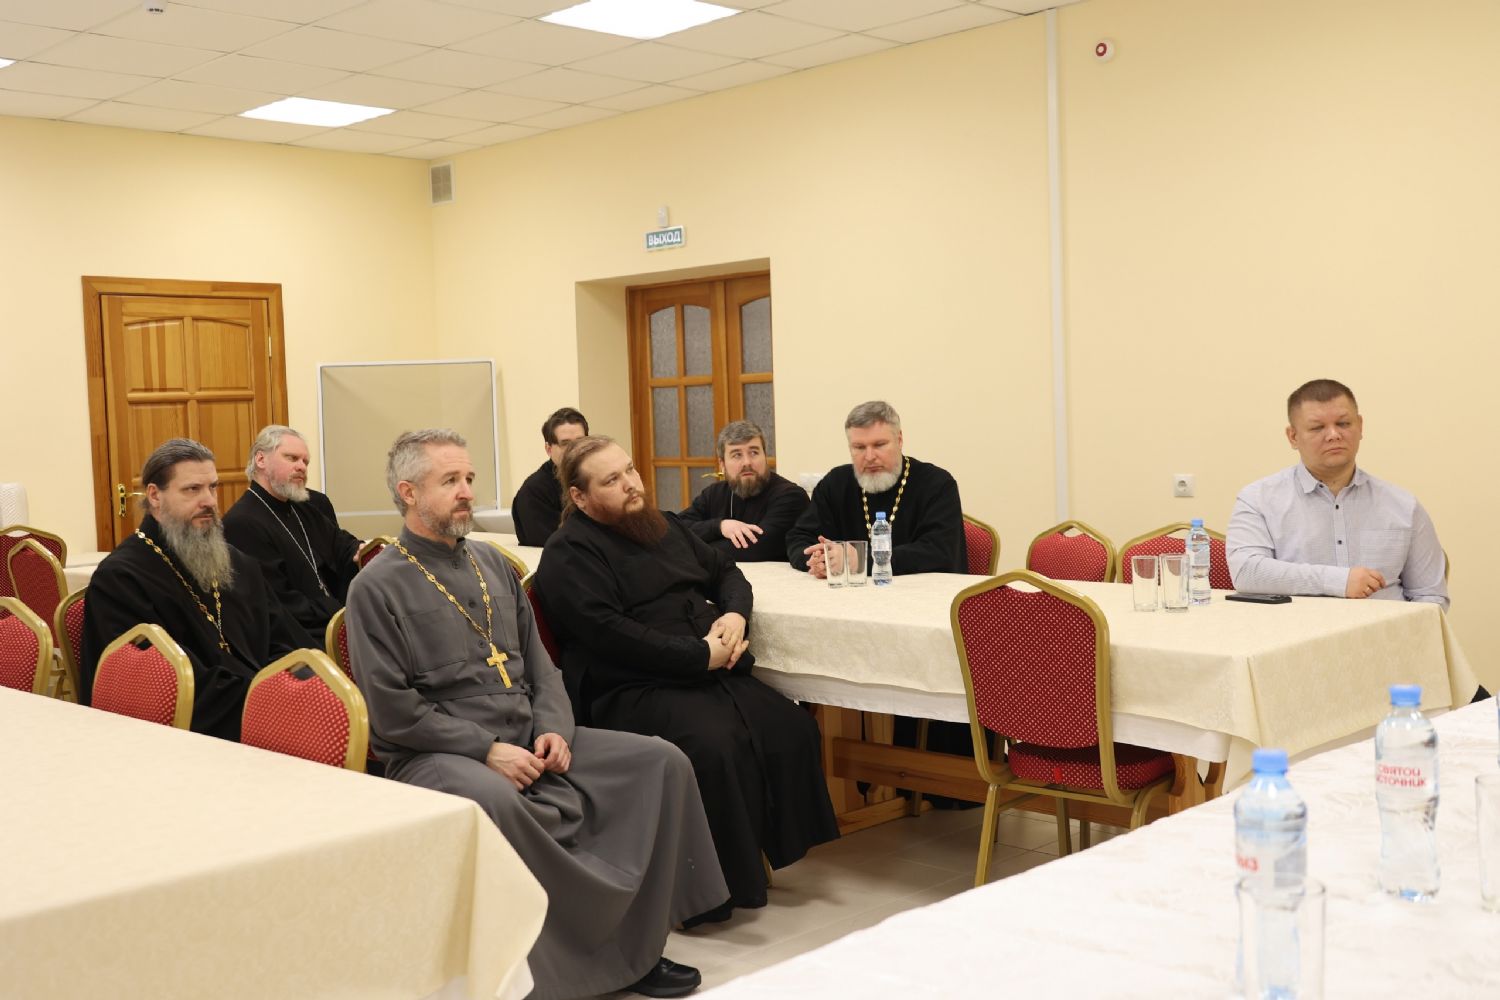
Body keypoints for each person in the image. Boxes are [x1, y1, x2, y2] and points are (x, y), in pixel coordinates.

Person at [345, 429, 725, 1000]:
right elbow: (394, 711)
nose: (467, 491)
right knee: (496, 800)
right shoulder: (375, 587)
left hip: (529, 734)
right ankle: (555, 973)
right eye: (450, 481)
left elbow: (544, 669)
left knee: (661, 761)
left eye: (469, 478)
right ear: (408, 492)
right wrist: (485, 750)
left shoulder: (494, 565)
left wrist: (552, 728)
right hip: (438, 754)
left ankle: (637, 949)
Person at [536, 436, 839, 918]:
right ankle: (716, 890)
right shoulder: (569, 552)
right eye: (612, 480)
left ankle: (766, 852)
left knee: (789, 725)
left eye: (630, 470)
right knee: (714, 746)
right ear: (580, 496)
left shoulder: (662, 525)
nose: (631, 484)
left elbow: (728, 573)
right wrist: (699, 655)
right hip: (630, 683)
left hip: (699, 667)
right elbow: (610, 634)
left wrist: (735, 616)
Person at [80, 438, 305, 741]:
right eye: (192, 489)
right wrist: (272, 702)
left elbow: (285, 642)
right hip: (184, 737)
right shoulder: (121, 580)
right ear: (155, 496)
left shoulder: (239, 564)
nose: (209, 501)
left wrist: (297, 689)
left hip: (264, 710)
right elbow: (162, 686)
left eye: (213, 487)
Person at [1227, 379, 1449, 609]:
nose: (1333, 435)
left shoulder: (1403, 505)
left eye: (1343, 423)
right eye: (1317, 428)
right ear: (1293, 436)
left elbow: (1432, 596)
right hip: (1297, 629)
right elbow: (1247, 572)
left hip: (1387, 629)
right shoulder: (1258, 499)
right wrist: (1338, 581)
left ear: (1360, 426)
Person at [785, 400, 966, 576]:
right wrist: (819, 559)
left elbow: (939, 552)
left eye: (879, 445)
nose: (869, 456)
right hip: (849, 594)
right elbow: (799, 537)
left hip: (922, 593)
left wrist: (862, 561)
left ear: (899, 440)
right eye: (859, 447)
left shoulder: (937, 484)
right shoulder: (835, 483)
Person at [223, 425, 361, 646]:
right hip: (298, 637)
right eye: (292, 458)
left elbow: (341, 544)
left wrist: (364, 551)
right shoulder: (241, 522)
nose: (301, 467)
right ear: (261, 459)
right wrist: (337, 610)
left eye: (305, 462)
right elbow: (280, 603)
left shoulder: (303, 505)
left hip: (331, 620)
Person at [677, 420, 808, 562]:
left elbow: (756, 548)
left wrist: (693, 546)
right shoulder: (713, 494)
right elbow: (676, 529)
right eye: (737, 455)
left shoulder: (791, 496)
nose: (747, 462)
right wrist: (719, 526)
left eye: (754, 452)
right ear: (722, 464)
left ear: (765, 457)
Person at [511, 407, 589, 546]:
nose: (575, 449)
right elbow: (556, 545)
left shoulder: (596, 479)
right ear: (549, 449)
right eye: (566, 444)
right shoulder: (534, 492)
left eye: (580, 442)